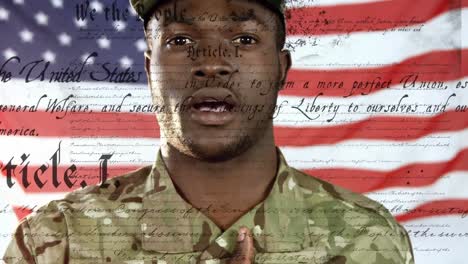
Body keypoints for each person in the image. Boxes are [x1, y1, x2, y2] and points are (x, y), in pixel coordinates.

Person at [3, 0, 415, 263]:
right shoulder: (55, 242)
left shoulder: (369, 240)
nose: (212, 63)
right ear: (150, 71)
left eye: (244, 38)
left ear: (282, 69)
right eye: (181, 39)